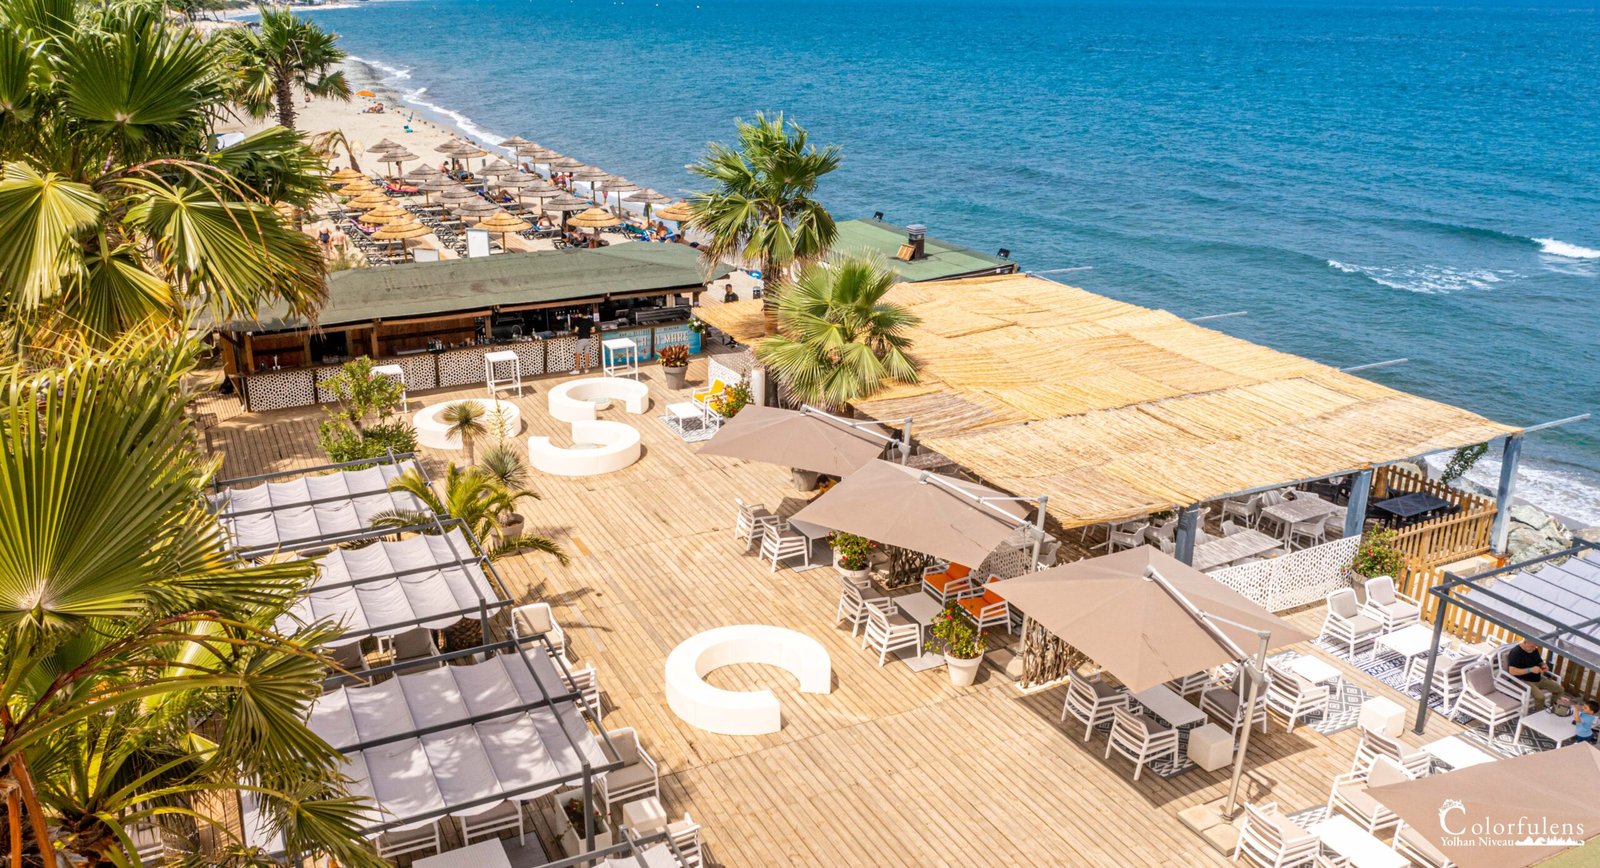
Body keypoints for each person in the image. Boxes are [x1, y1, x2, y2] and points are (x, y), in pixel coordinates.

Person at [1506, 638, 1565, 710]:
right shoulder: (1515, 653)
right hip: (1523, 680)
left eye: (1535, 646)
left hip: (1538, 678)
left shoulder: (1533, 650)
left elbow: (1539, 661)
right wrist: (1530, 669)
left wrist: (1544, 665)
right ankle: (1538, 714)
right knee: (1540, 697)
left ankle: (1553, 709)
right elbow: (1512, 671)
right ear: (1525, 642)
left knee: (1560, 690)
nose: (1534, 649)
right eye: (1532, 646)